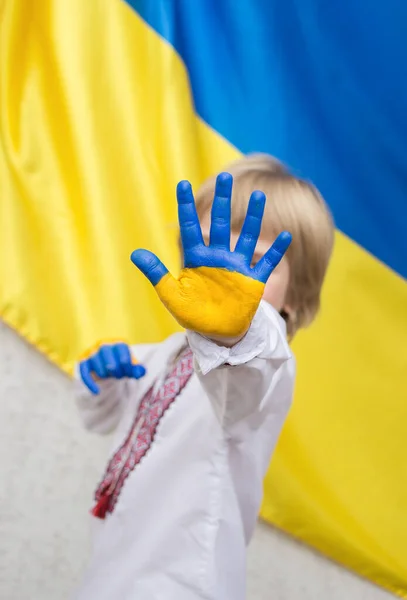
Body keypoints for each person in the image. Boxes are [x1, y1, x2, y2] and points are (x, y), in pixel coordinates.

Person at [74, 154, 334, 600]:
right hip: (115, 568)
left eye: (252, 263)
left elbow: (247, 365)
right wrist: (100, 377)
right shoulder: (163, 356)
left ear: (295, 296)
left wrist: (239, 328)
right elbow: (99, 415)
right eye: (217, 256)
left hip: (181, 583)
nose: (229, 274)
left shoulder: (267, 362)